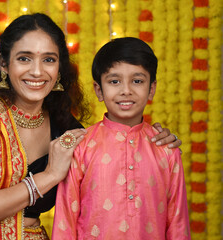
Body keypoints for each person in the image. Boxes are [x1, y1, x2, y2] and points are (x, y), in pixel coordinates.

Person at [0, 14, 181, 240]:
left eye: (49, 59)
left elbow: (110, 163)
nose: (37, 72)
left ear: (60, 68)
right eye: (24, 58)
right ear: (4, 63)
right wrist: (49, 175)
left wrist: (152, 140)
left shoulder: (66, 128)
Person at [52, 37, 190, 240]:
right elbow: (66, 219)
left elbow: (178, 223)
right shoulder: (81, 146)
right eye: (114, 81)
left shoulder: (165, 148)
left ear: (151, 89)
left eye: (137, 81)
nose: (126, 90)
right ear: (99, 90)